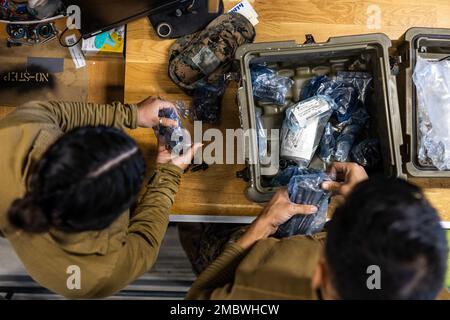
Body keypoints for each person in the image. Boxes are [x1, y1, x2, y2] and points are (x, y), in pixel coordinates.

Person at [0, 97, 199, 299]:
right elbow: (145, 240)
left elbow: (52, 112)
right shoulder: (99, 276)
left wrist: (133, 114)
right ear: (112, 216)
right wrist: (169, 172)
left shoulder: (11, 138)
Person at [187, 163, 450, 300]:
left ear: (320, 274)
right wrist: (365, 201)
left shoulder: (264, 287)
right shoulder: (424, 286)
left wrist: (262, 227)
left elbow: (196, 299)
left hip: (253, 255)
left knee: (205, 236)